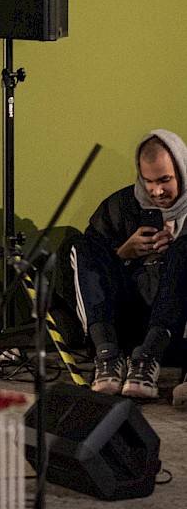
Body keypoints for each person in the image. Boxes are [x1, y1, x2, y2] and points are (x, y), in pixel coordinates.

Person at [72, 129, 187, 399]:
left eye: (165, 180)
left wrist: (178, 248)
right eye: (149, 181)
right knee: (83, 246)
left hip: (175, 332)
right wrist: (123, 253)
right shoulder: (120, 206)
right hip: (126, 329)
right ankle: (107, 356)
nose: (157, 191)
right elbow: (93, 262)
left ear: (182, 171)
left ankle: (149, 358)